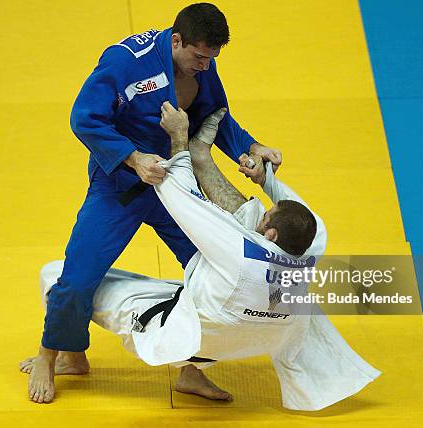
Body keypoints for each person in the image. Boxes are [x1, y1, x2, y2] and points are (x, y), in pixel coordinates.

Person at [21, 104, 380, 410]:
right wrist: (266, 179)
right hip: (251, 339)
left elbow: (184, 200)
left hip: (183, 331)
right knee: (221, 297)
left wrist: (179, 139)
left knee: (60, 276)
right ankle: (192, 374)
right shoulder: (310, 252)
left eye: (265, 220)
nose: (262, 217)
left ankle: (59, 354)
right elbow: (303, 216)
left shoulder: (239, 255)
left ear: (270, 234)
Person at [28, 3, 283, 403]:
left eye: (212, 58)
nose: (205, 65)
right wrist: (133, 157)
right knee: (78, 278)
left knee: (212, 274)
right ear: (176, 40)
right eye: (199, 56)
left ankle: (192, 369)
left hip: (175, 190)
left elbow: (214, 116)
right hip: (122, 186)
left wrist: (251, 148)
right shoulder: (126, 62)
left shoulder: (201, 64)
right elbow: (85, 118)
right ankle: (55, 354)